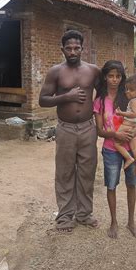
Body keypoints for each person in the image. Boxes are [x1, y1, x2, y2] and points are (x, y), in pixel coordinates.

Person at [39, 30, 100, 233]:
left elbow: (104, 95)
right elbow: (43, 100)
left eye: (76, 48)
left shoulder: (93, 71)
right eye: (69, 48)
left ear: (83, 49)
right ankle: (65, 216)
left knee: (87, 171)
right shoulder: (56, 72)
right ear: (62, 49)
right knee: (64, 172)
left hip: (87, 128)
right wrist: (66, 97)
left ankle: (84, 214)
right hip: (65, 129)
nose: (73, 51)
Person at [93, 61, 136, 238]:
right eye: (110, 76)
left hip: (133, 145)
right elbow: (99, 130)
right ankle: (114, 222)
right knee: (111, 185)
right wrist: (116, 135)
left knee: (132, 184)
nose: (114, 80)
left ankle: (131, 222)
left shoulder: (130, 96)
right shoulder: (100, 101)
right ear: (105, 77)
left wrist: (132, 135)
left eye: (118, 76)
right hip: (111, 148)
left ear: (122, 77)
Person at [113, 74, 136, 174]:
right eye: (127, 89)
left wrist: (120, 113)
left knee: (117, 143)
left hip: (127, 126)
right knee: (134, 147)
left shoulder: (133, 101)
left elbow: (134, 114)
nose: (128, 92)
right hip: (134, 127)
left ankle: (128, 158)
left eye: (131, 90)